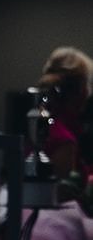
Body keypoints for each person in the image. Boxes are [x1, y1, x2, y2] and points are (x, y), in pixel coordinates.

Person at [38, 46, 93, 179]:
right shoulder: (64, 140)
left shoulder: (42, 124)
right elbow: (65, 190)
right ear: (82, 90)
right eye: (88, 83)